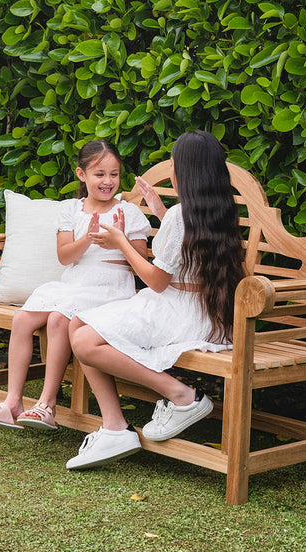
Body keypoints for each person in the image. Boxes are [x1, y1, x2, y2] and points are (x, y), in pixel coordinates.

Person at [66, 130, 246, 469]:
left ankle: (181, 396)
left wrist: (120, 242)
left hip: (175, 308)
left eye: (175, 164)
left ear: (186, 172)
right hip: (202, 310)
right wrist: (161, 210)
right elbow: (190, 244)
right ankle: (114, 426)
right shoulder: (218, 209)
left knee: (86, 342)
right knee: (78, 320)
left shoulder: (183, 216)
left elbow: (157, 281)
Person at [0, 140, 151, 431]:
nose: (107, 181)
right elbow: (65, 256)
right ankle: (13, 402)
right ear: (82, 175)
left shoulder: (128, 213)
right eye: (100, 174)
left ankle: (46, 404)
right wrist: (88, 237)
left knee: (58, 320)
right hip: (75, 281)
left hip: (110, 287)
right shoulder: (71, 209)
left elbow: (140, 264)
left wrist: (120, 239)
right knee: (21, 319)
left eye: (114, 174)